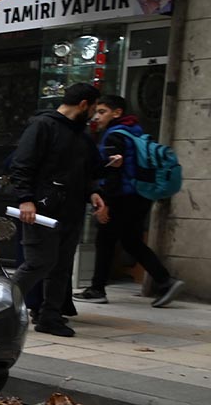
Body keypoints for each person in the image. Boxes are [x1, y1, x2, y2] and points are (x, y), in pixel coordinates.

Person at [8, 83, 119, 338]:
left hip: (71, 210)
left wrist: (95, 190)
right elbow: (22, 165)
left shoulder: (81, 136)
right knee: (38, 262)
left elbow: (88, 171)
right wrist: (26, 199)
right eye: (93, 108)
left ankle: (50, 316)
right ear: (83, 105)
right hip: (41, 210)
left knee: (61, 266)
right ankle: (0, 309)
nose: (93, 115)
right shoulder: (43, 126)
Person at [74, 95, 184, 307]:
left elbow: (113, 173)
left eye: (102, 111)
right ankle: (165, 281)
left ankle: (97, 288)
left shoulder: (114, 136)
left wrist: (104, 202)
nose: (97, 116)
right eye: (96, 111)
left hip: (121, 197)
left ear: (117, 113)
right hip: (140, 196)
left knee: (105, 241)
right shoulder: (136, 131)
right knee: (131, 241)